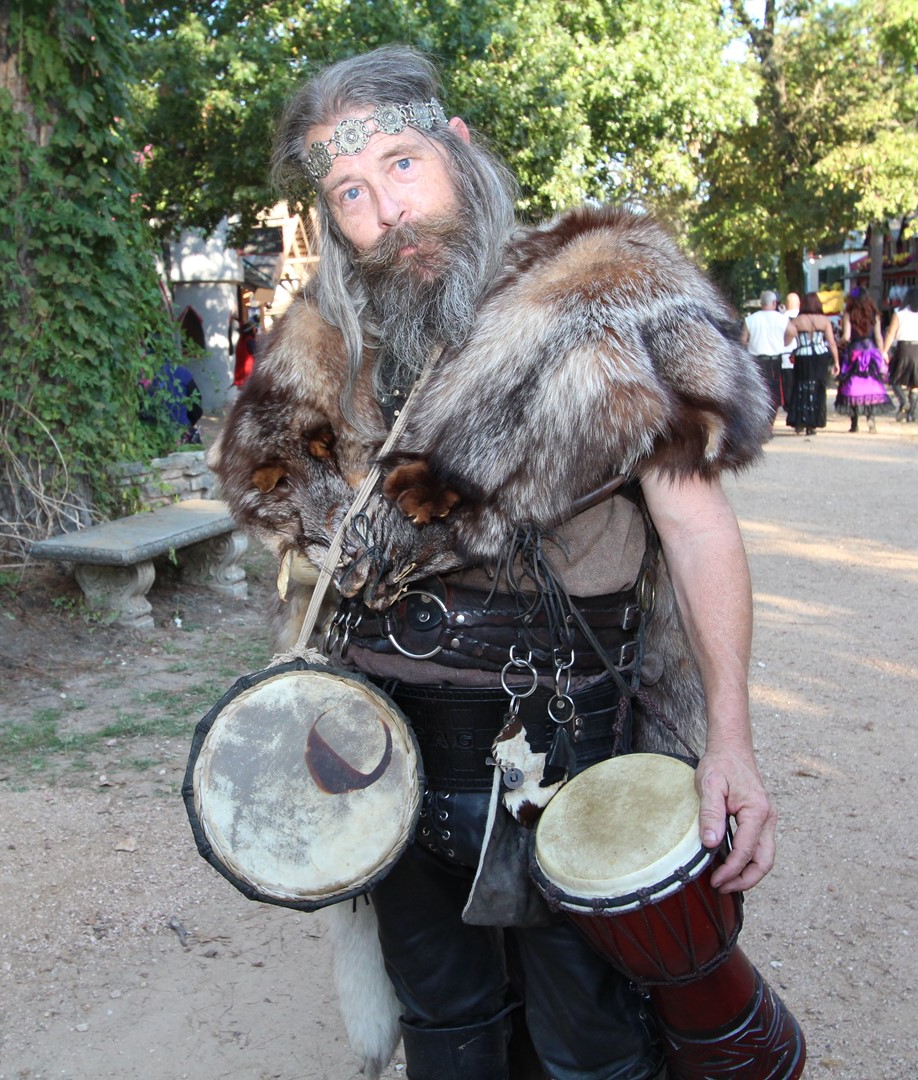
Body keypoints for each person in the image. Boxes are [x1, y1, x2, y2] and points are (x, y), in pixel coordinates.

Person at [210, 46, 791, 1079]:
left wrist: (732, 742)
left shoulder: (605, 303)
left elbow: (701, 531)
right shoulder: (325, 354)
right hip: (379, 746)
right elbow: (292, 536)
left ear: (458, 150)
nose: (387, 209)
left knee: (588, 1035)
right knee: (446, 1019)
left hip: (560, 735)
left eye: (401, 164)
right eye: (350, 189)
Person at [835, 290, 891, 433]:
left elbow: (846, 337)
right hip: (871, 352)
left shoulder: (849, 315)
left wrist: (839, 341)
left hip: (855, 352)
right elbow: (878, 337)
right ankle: (871, 419)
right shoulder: (875, 315)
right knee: (871, 384)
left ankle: (854, 423)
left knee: (852, 386)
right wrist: (882, 353)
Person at [783, 290, 838, 436]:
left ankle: (801, 420)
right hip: (820, 356)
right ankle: (813, 423)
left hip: (803, 355)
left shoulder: (797, 321)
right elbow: (831, 343)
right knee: (817, 387)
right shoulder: (824, 321)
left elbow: (786, 340)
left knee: (802, 385)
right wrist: (836, 361)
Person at [882, 285, 918, 423]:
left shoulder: (899, 312)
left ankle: (903, 402)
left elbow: (891, 333)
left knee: (895, 377)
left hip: (903, 347)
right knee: (915, 381)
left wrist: (884, 350)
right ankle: (911, 413)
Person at [740, 290, 792, 422]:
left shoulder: (751, 319)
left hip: (757, 360)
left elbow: (743, 340)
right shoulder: (782, 319)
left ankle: (760, 419)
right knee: (774, 390)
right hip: (775, 359)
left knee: (759, 389)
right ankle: (770, 421)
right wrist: (785, 342)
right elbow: (793, 332)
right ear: (774, 303)